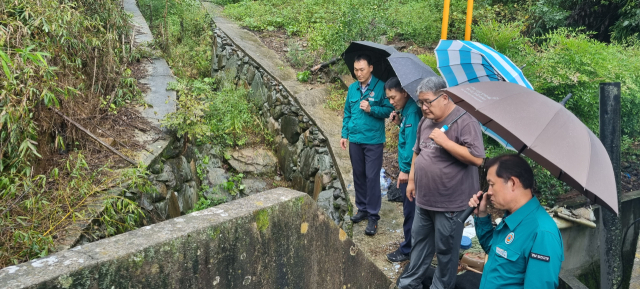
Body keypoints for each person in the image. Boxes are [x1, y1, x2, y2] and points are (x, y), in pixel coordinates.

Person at [398, 76, 485, 289]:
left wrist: (446, 142)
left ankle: (441, 287)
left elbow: (477, 158)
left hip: (450, 204)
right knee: (419, 245)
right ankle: (409, 284)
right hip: (424, 199)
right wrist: (411, 180)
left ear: (444, 97)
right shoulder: (425, 121)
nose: (424, 107)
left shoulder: (466, 121)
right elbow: (417, 152)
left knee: (446, 251)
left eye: (428, 101)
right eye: (420, 102)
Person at [468, 154, 564, 288]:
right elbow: (494, 251)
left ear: (512, 183)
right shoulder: (513, 217)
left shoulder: (542, 233)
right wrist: (482, 216)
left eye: (491, 184)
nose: (488, 192)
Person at [340, 54, 393, 236]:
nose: (358, 73)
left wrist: (372, 109)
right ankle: (361, 208)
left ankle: (373, 216)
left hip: (373, 141)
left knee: (372, 177)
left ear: (370, 68)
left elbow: (388, 110)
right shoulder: (353, 88)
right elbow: (347, 112)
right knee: (359, 175)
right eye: (356, 70)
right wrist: (344, 134)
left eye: (362, 69)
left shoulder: (381, 87)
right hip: (355, 139)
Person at [385, 77, 422, 262]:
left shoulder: (413, 112)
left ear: (405, 93)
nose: (391, 102)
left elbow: (413, 145)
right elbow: (410, 134)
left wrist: (406, 171)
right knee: (411, 210)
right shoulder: (407, 111)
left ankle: (408, 249)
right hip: (410, 170)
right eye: (389, 98)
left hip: (411, 172)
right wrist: (399, 122)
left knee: (411, 212)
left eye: (393, 97)